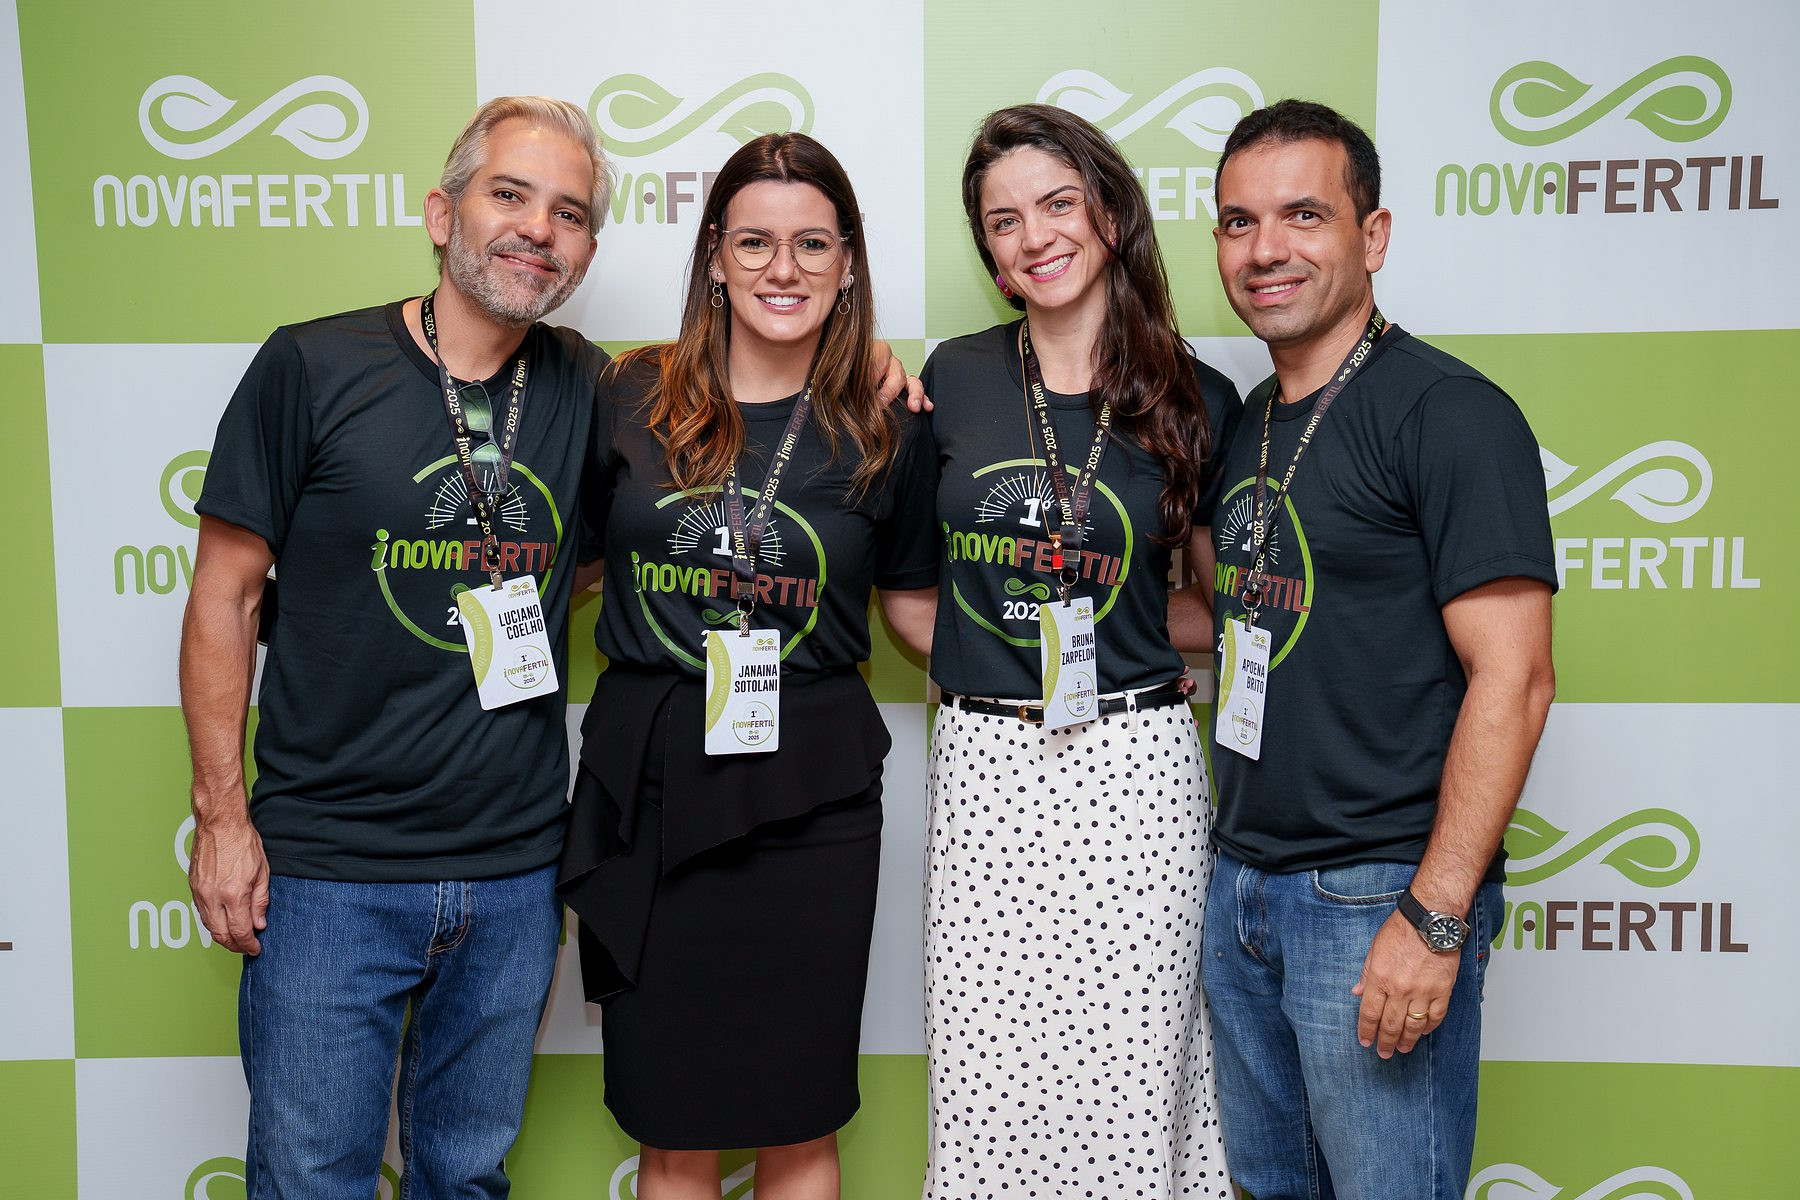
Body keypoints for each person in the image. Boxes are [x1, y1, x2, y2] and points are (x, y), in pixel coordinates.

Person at [180, 96, 611, 1197]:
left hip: (515, 873)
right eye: (509, 195)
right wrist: (222, 821)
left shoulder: (587, 386)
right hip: (330, 876)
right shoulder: (313, 366)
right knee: (309, 1179)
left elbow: (714, 439)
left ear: (585, 250)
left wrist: (869, 373)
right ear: (441, 212)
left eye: (568, 213)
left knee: (465, 1181)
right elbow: (225, 595)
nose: (537, 229)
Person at [556, 131, 937, 1200]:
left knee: (798, 1118)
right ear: (715, 256)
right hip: (649, 780)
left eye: (813, 244)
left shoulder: (889, 425)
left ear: (848, 263)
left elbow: (914, 608)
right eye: (756, 242)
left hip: (812, 795)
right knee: (671, 1125)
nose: (784, 268)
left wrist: (1111, 664)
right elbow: (571, 564)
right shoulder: (626, 391)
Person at [1187, 99, 1557, 1199]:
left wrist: (1434, 917)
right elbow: (1243, 614)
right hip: (1242, 884)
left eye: (1304, 215)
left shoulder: (1450, 412)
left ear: (1374, 235)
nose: (1267, 248)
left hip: (1375, 895)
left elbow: (1516, 678)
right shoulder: (1250, 422)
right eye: (1239, 221)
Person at [917, 104, 1240, 1200]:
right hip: (986, 769)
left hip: (1135, 768)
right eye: (1003, 220)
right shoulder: (949, 378)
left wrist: (1122, 633)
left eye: (1058, 204)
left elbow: (1218, 604)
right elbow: (914, 600)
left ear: (1110, 213)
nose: (1035, 236)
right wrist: (994, 653)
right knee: (985, 1077)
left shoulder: (1196, 394)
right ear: (989, 251)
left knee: (1133, 1072)